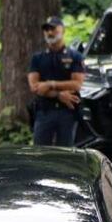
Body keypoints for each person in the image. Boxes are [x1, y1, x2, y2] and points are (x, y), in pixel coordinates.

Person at [28, 15, 85, 146]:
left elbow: (76, 84)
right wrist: (58, 95)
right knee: (41, 152)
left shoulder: (74, 56)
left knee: (66, 154)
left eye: (53, 28)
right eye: (47, 29)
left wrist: (50, 84)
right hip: (44, 111)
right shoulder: (38, 58)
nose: (49, 32)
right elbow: (35, 87)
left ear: (62, 30)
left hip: (68, 112)